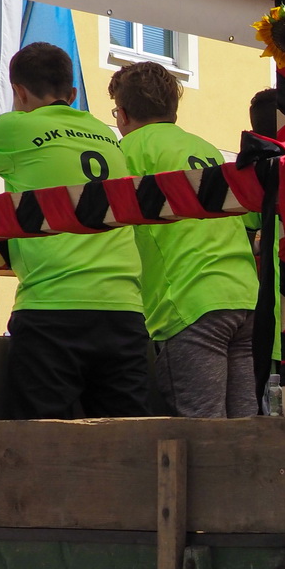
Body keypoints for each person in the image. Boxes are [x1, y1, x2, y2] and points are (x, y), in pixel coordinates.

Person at [0, 42, 149, 419]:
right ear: (72, 94)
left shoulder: (16, 128)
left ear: (18, 91)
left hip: (53, 305)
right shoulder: (105, 134)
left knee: (41, 436)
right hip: (124, 308)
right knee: (128, 435)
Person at [106, 63, 258, 418]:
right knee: (248, 433)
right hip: (243, 295)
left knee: (203, 434)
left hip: (189, 300)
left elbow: (105, 224)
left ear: (123, 114)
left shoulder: (128, 151)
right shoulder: (205, 148)